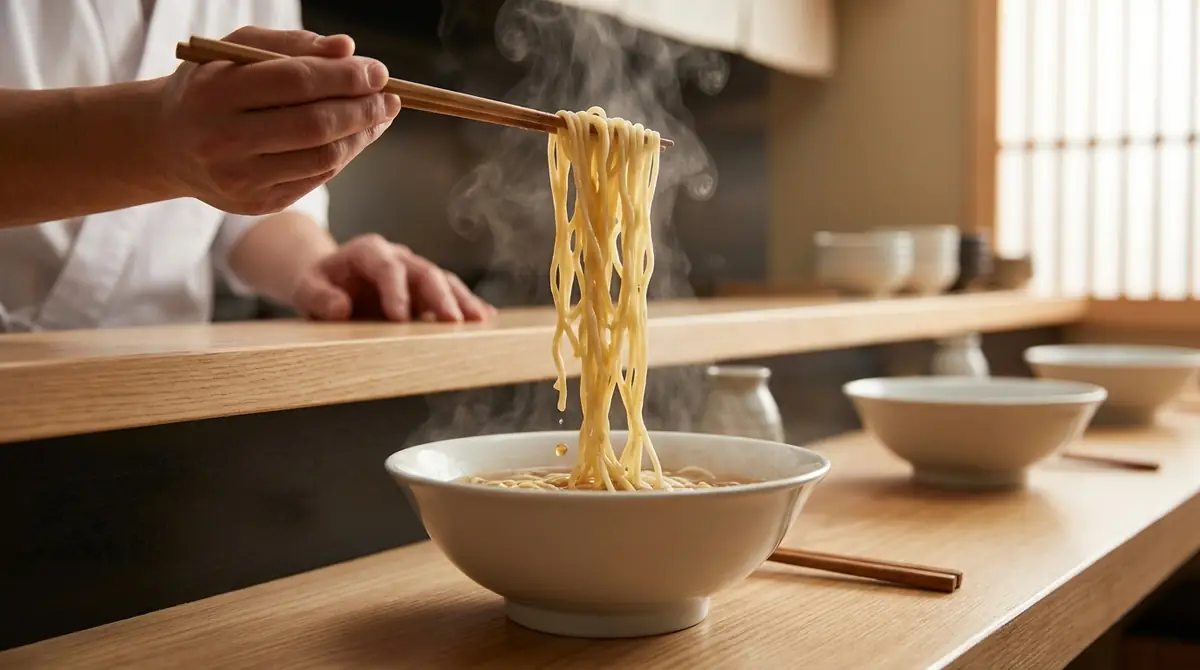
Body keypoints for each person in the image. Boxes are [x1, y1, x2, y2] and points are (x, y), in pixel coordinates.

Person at [0, 0, 495, 331]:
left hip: (169, 384)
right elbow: (189, 151)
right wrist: (153, 140)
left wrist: (313, 265)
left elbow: (239, 181)